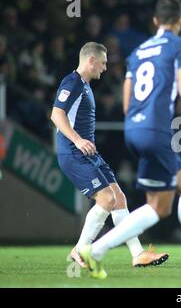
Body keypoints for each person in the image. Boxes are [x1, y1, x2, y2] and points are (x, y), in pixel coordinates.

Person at [79, 0, 181, 280]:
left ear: (155, 21)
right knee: (165, 204)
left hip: (133, 129)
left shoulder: (138, 52)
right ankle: (96, 250)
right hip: (157, 131)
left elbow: (126, 102)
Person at [50, 42, 169, 269]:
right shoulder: (72, 82)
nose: (104, 68)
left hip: (89, 152)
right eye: (103, 63)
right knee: (107, 199)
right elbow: (56, 115)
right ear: (91, 60)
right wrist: (76, 139)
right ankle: (80, 250)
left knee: (119, 199)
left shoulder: (83, 85)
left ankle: (138, 254)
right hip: (73, 152)